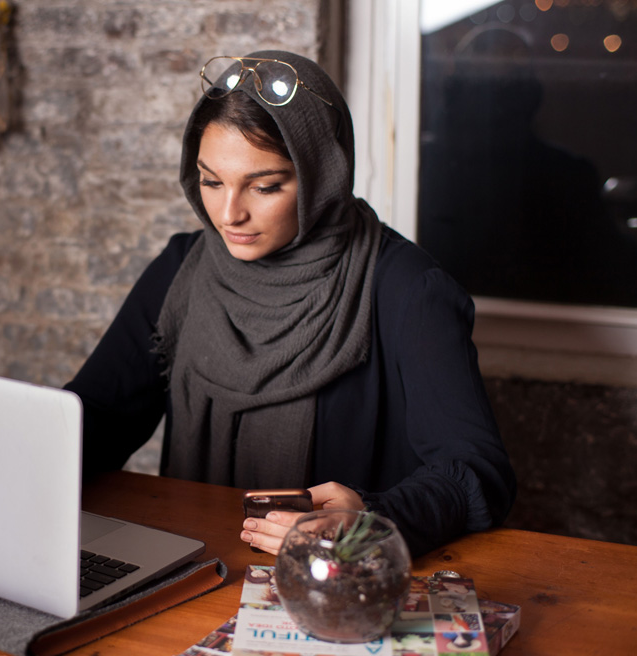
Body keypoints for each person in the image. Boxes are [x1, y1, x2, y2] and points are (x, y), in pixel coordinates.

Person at [64, 50, 516, 556]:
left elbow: (477, 472)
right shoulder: (182, 268)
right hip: (192, 566)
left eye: (265, 186)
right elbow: (99, 417)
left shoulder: (407, 289)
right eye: (211, 181)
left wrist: (370, 518)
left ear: (322, 175)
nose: (229, 213)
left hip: (335, 583)